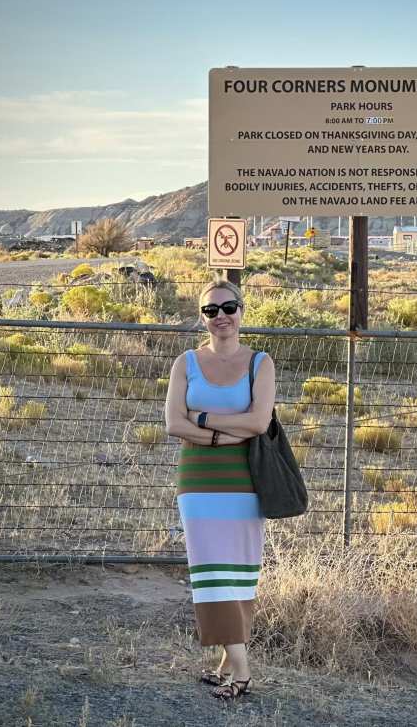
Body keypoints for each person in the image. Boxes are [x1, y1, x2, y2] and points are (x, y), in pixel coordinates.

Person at [164, 278, 275, 701]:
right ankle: (242, 669)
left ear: (242, 310)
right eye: (212, 311)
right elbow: (174, 424)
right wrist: (229, 431)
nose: (221, 317)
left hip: (245, 481)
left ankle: (229, 662)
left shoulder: (259, 363)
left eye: (228, 307)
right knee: (210, 572)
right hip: (199, 481)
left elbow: (260, 422)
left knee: (241, 572)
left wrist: (205, 420)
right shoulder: (186, 362)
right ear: (202, 317)